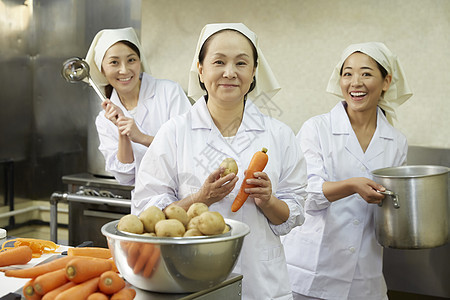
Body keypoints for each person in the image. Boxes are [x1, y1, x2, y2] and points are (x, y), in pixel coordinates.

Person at [133, 23, 307, 299]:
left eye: (241, 63)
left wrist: (269, 201)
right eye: (218, 62)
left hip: (260, 283)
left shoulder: (280, 135)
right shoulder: (174, 133)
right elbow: (146, 214)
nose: (230, 72)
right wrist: (202, 197)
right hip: (191, 279)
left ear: (253, 72)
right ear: (201, 70)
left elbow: (294, 214)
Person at [282, 42, 413, 300]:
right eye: (348, 73)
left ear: (386, 81)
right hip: (311, 269)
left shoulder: (396, 142)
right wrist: (352, 186)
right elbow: (305, 193)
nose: (355, 82)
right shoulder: (316, 129)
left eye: (366, 73)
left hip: (365, 273)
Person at [84, 27, 191, 186]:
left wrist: (141, 137)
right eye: (114, 62)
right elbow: (125, 178)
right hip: (144, 204)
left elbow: (189, 148)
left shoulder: (169, 92)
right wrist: (123, 134)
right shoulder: (104, 120)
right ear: (102, 69)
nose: (124, 70)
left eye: (131, 60)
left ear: (140, 61)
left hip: (184, 196)